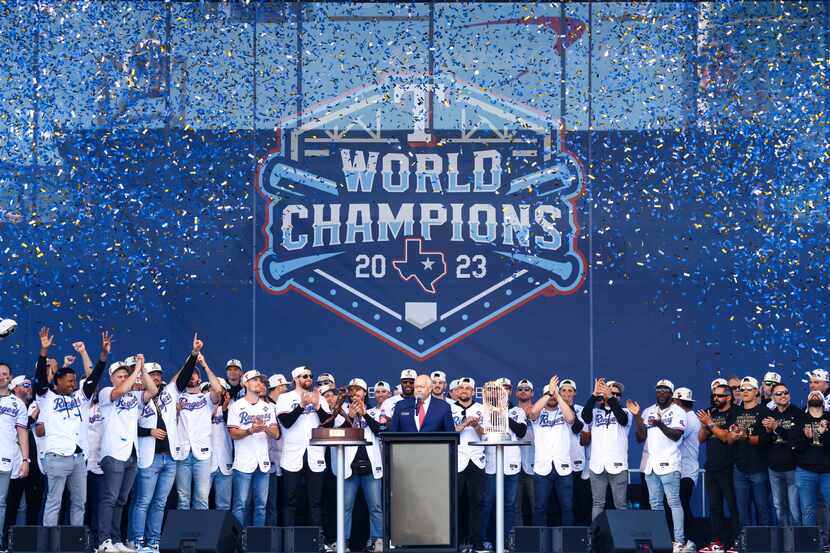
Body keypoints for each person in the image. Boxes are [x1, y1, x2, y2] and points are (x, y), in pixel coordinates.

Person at [129, 335, 208, 553]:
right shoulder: (137, 397)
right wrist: (148, 431)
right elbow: (127, 427)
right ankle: (137, 540)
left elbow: (182, 377)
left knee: (160, 503)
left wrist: (193, 354)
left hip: (170, 456)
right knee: (143, 501)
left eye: (158, 375)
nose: (156, 378)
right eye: (151, 375)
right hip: (149, 456)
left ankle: (154, 541)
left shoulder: (171, 392)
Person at [35, 328, 109, 532]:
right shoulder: (47, 398)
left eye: (74, 381)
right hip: (57, 457)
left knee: (79, 503)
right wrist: (43, 352)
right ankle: (49, 541)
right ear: (57, 381)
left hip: (78, 458)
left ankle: (75, 540)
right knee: (54, 502)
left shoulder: (80, 398)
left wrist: (103, 356)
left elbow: (93, 378)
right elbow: (40, 379)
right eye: (69, 381)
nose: (73, 384)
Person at [97, 352, 158, 553]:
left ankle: (115, 539)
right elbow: (120, 390)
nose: (123, 379)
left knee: (122, 499)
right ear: (112, 378)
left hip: (132, 452)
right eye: (119, 376)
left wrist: (141, 369)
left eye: (125, 375)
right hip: (113, 451)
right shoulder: (106, 392)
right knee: (110, 497)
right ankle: (103, 540)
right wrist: (133, 375)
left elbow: (153, 389)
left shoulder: (135, 396)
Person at [633, 379, 687, 553]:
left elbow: (676, 436)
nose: (661, 393)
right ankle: (660, 540)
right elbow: (640, 438)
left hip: (670, 463)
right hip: (650, 464)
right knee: (655, 504)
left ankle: (678, 541)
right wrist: (636, 417)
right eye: (659, 390)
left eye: (665, 390)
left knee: (673, 502)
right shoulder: (648, 411)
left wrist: (660, 424)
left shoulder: (678, 411)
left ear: (671, 393)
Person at [276, 366, 327, 529]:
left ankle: (316, 539)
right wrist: (301, 405)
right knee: (290, 500)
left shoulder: (319, 397)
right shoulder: (285, 398)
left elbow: (329, 423)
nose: (308, 378)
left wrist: (318, 406)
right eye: (304, 376)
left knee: (316, 501)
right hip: (292, 454)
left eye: (310, 376)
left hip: (315, 453)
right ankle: (289, 540)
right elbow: (286, 422)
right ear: (296, 379)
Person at [227, 370, 280, 526]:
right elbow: (233, 433)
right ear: (246, 383)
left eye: (260, 380)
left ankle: (257, 542)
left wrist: (265, 428)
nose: (259, 383)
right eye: (255, 380)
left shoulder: (267, 407)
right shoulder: (236, 406)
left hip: (263, 463)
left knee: (261, 506)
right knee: (240, 505)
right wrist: (250, 430)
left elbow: (276, 434)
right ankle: (238, 542)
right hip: (243, 463)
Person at [338, 378, 384, 553]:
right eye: (352, 390)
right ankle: (344, 541)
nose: (355, 393)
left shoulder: (374, 411)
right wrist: (350, 415)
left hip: (371, 466)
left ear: (365, 393)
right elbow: (339, 432)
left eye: (359, 390)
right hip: (350, 466)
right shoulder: (342, 412)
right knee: (345, 507)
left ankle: (377, 540)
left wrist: (363, 414)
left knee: (375, 507)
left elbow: (380, 430)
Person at [175, 348, 224, 511]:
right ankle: (182, 535)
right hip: (182, 452)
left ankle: (200, 536)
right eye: (188, 374)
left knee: (202, 498)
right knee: (183, 499)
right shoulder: (176, 397)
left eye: (194, 374)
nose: (191, 376)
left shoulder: (206, 398)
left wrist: (204, 365)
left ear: (199, 379)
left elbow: (218, 390)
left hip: (202, 454)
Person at [481, 378, 527, 547]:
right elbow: (482, 434)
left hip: (511, 462)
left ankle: (507, 540)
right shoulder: (486, 410)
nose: (504, 391)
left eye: (507, 388)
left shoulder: (517, 411)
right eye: (501, 388)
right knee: (488, 503)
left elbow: (521, 432)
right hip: (492, 461)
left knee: (509, 504)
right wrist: (495, 410)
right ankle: (485, 540)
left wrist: (503, 412)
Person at [530, 376, 579, 527]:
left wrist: (557, 395)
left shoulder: (564, 411)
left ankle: (567, 544)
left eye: (553, 395)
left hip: (563, 467)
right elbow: (532, 413)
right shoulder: (538, 415)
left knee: (567, 507)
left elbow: (571, 419)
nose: (551, 398)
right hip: (542, 467)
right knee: (540, 507)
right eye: (549, 395)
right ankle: (539, 545)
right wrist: (548, 393)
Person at [725, 376, 771, 528]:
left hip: (759, 467)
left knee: (762, 508)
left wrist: (746, 437)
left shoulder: (764, 411)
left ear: (756, 391)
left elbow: (766, 440)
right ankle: (746, 545)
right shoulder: (735, 412)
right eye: (741, 389)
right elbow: (728, 440)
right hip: (740, 467)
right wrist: (732, 436)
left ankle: (765, 546)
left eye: (748, 389)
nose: (744, 391)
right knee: (743, 511)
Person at [698, 384, 738, 553]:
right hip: (712, 467)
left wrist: (710, 423)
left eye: (719, 396)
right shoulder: (711, 412)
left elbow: (727, 438)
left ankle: (738, 540)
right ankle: (716, 542)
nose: (715, 398)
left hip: (729, 466)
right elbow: (701, 439)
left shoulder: (735, 413)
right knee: (715, 506)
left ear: (728, 397)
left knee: (734, 506)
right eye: (714, 395)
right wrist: (704, 425)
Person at [582, 378, 631, 520]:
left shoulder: (626, 412)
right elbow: (585, 417)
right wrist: (594, 395)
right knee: (597, 504)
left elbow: (622, 420)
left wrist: (610, 398)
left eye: (617, 394)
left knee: (620, 505)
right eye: (611, 393)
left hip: (618, 465)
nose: (614, 396)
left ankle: (623, 540)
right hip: (597, 465)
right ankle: (595, 539)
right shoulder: (596, 413)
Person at [450, 376, 486, 552]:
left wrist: (477, 425)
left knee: (477, 502)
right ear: (456, 392)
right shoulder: (448, 408)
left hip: (476, 461)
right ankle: (454, 540)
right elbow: (448, 433)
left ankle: (476, 540)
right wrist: (465, 424)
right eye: (461, 388)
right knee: (454, 502)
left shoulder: (481, 409)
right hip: (457, 460)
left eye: (468, 388)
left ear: (473, 391)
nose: (464, 391)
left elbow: (485, 435)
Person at [760, 381, 801, 526]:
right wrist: (767, 432)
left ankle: (796, 543)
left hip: (793, 468)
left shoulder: (797, 412)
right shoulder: (770, 415)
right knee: (779, 507)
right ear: (773, 398)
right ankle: (785, 541)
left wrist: (777, 427)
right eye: (779, 393)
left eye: (786, 392)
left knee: (794, 507)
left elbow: (796, 438)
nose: (783, 395)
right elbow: (764, 443)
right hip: (774, 469)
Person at [0, 360, 30, 550]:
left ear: (9, 378)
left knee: (1, 503)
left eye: (5, 374)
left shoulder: (17, 403)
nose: (2, 376)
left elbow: (22, 433)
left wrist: (25, 459)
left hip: (4, 459)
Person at [673, 387, 700, 552]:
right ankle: (684, 540)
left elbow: (675, 438)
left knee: (682, 505)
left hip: (687, 471)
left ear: (677, 402)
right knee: (681, 505)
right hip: (683, 469)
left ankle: (689, 540)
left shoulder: (688, 418)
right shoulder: (690, 416)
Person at [387, 374, 454, 433]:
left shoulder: (443, 407)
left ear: (430, 388)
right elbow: (393, 432)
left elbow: (450, 435)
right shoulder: (401, 406)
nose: (418, 390)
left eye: (421, 387)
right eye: (416, 387)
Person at [265, 373, 288, 526]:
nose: (286, 390)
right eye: (284, 387)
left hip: (287, 459)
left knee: (282, 502)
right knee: (268, 503)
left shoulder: (285, 405)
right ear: (278, 387)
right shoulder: (265, 406)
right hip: (269, 461)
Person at [209, 377, 233, 511]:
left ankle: (222, 533)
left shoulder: (233, 408)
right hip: (206, 461)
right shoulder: (203, 407)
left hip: (225, 460)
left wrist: (224, 409)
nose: (217, 392)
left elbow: (232, 427)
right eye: (214, 389)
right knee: (201, 502)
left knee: (224, 505)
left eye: (220, 390)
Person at [514, 378, 535, 526]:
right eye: (520, 389)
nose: (523, 391)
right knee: (515, 506)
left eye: (526, 389)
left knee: (537, 505)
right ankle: (516, 540)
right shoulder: (511, 412)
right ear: (516, 393)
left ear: (532, 393)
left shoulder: (540, 410)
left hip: (535, 464)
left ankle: (539, 541)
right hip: (514, 463)